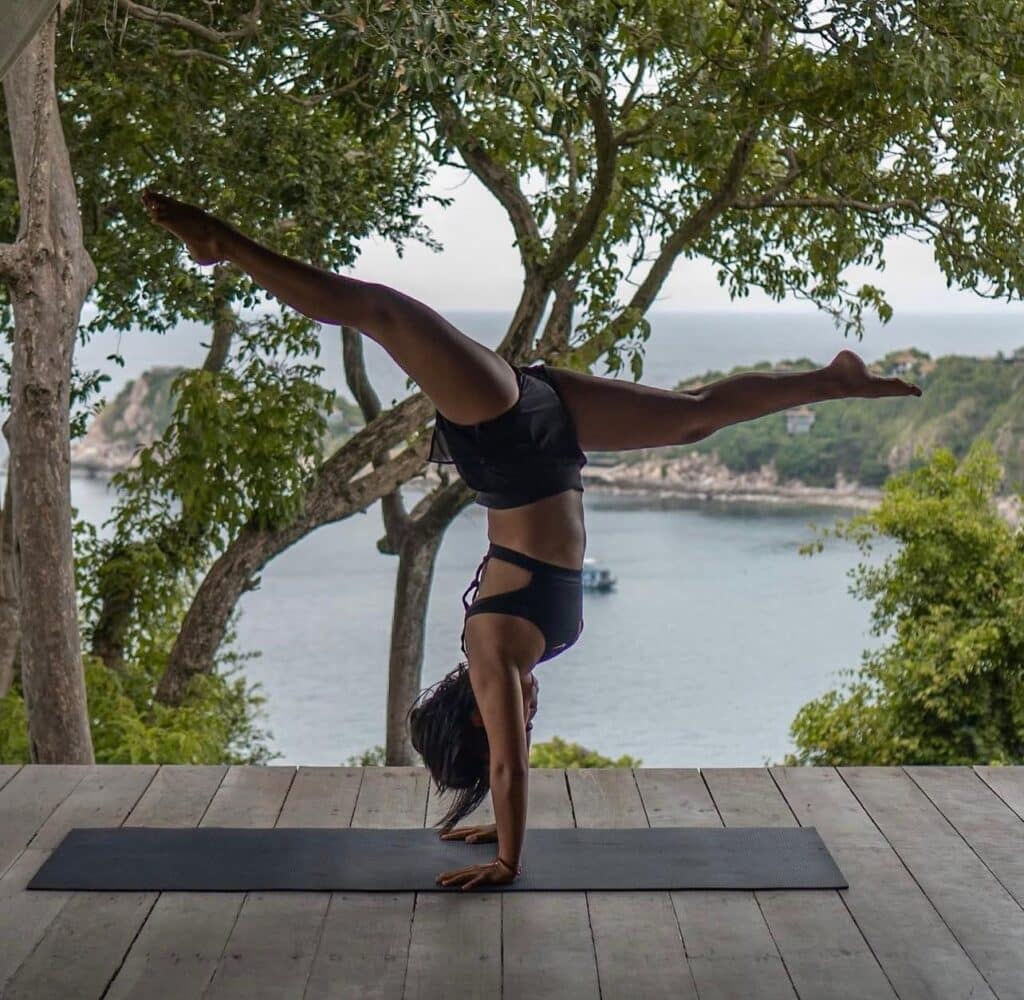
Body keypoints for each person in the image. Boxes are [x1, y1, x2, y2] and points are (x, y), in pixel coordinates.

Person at [141, 188, 923, 892]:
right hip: (552, 441)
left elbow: (512, 768)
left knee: (380, 312)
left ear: (477, 714)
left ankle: (224, 244)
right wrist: (492, 823)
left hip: (502, 438)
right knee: (693, 414)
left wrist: (509, 859)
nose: (526, 716)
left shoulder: (493, 653)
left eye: (503, 720)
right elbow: (508, 764)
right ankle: (831, 381)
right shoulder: (520, 650)